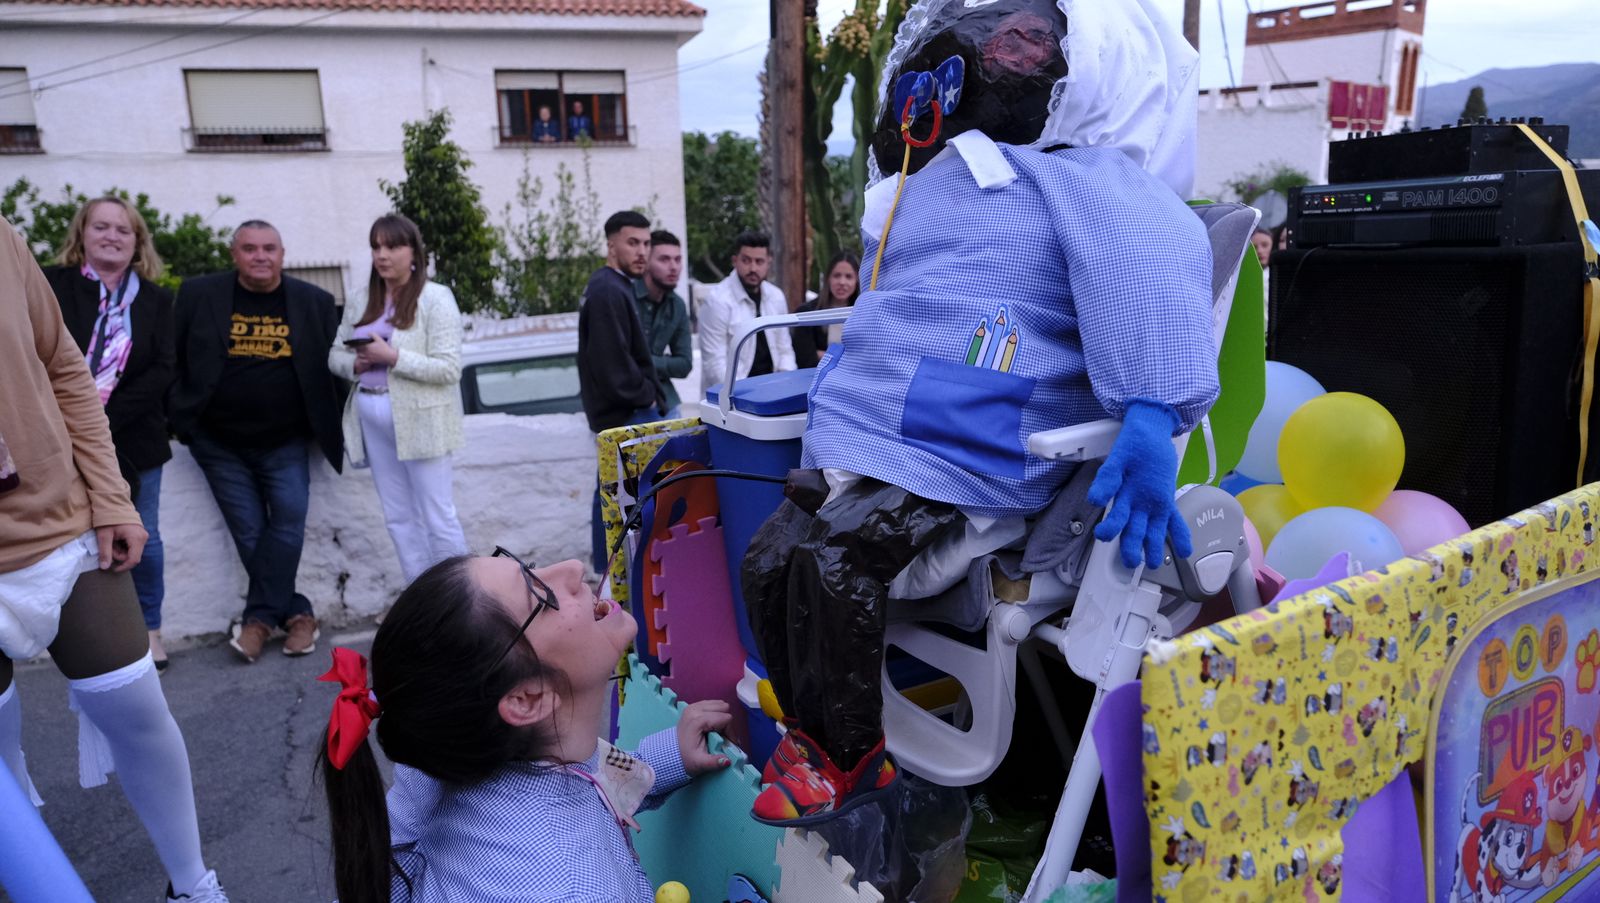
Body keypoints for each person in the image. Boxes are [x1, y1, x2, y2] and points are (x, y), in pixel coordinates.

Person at [744, 0, 1218, 825]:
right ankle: (809, 722)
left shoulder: (1094, 180)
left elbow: (1149, 267)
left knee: (833, 564)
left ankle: (848, 760)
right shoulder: (955, 179)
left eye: (1027, 40)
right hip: (885, 431)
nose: (1001, 53)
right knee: (767, 557)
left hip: (972, 448)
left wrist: (1151, 413)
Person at [0, 216, 229, 901]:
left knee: (138, 714)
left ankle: (193, 885)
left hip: (58, 526)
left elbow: (65, 367)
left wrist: (112, 497)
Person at [317, 550, 733, 901]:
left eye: (530, 567)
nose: (571, 567)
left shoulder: (463, 755)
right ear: (527, 699)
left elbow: (588, 782)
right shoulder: (574, 889)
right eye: (542, 597)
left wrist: (670, 757)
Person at [170, 220, 345, 663]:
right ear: (235, 255)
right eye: (250, 249)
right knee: (250, 531)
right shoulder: (198, 295)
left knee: (287, 520)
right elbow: (171, 355)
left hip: (285, 441)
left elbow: (334, 369)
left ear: (283, 255)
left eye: (269, 248)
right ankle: (297, 615)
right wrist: (180, 421)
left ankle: (259, 621)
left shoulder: (315, 302)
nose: (260, 256)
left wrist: (330, 427)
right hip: (217, 443)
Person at [43, 197, 178, 671]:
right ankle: (93, 639)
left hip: (135, 440)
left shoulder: (158, 301)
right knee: (71, 536)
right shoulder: (50, 286)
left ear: (137, 241)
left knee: (146, 535)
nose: (112, 236)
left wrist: (98, 425)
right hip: (54, 438)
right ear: (81, 233)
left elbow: (163, 369)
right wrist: (73, 424)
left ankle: (151, 630)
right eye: (101, 227)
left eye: (123, 230)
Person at [328, 213, 469, 585]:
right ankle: (420, 596)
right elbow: (333, 356)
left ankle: (459, 599)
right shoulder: (361, 299)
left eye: (392, 246)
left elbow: (449, 369)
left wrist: (392, 357)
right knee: (397, 514)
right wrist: (356, 364)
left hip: (422, 417)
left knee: (438, 514)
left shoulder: (435, 298)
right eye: (376, 246)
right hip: (371, 411)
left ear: (414, 253)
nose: (382, 255)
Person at [579, 210, 662, 570]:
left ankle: (614, 578)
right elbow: (612, 365)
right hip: (626, 415)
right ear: (611, 244)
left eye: (646, 243)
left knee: (620, 503)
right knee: (621, 508)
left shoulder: (614, 286)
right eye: (633, 243)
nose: (642, 251)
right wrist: (647, 396)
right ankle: (614, 582)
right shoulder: (607, 289)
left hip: (627, 413)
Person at [698, 231, 796, 398]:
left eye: (759, 261)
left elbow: (784, 350)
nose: (753, 268)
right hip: (731, 399)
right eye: (746, 260)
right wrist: (744, 397)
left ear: (768, 262)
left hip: (773, 393)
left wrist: (786, 389)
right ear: (735, 261)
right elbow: (714, 364)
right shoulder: (717, 301)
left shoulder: (776, 296)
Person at [633, 230, 693, 418]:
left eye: (677, 259)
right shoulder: (625, 297)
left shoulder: (677, 306)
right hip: (626, 404)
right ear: (647, 262)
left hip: (664, 400)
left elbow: (684, 365)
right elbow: (617, 363)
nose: (674, 267)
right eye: (664, 259)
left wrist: (642, 361)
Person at [791, 250, 859, 368]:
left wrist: (824, 354)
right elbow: (806, 359)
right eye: (837, 275)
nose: (842, 282)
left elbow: (866, 358)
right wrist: (847, 357)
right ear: (828, 278)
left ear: (857, 281)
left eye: (849, 277)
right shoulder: (806, 313)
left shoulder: (864, 314)